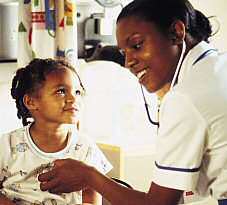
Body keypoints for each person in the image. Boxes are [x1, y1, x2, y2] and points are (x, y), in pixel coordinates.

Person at [38, 0, 227, 204]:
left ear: (177, 32)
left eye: (136, 45)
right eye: (124, 53)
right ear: (31, 102)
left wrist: (89, 176)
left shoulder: (185, 97)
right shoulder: (216, 67)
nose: (128, 63)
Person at [0, 58, 112, 205]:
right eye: (61, 91)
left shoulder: (86, 148)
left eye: (77, 92)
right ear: (31, 102)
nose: (73, 98)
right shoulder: (7, 144)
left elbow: (92, 199)